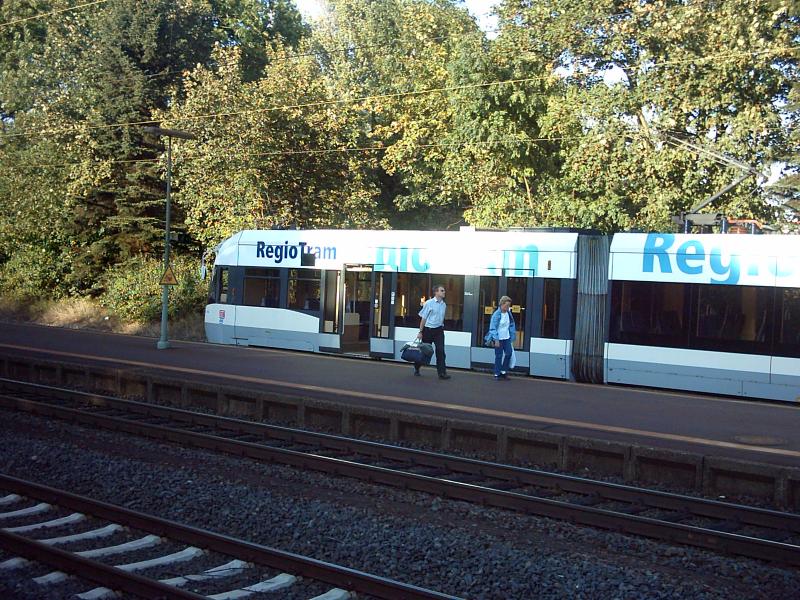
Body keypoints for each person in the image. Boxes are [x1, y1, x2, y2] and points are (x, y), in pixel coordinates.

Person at [414, 283, 450, 379]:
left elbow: (441, 318)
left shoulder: (444, 304)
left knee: (441, 351)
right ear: (436, 292)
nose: (444, 292)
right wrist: (420, 332)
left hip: (438, 331)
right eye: (442, 290)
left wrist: (441, 327)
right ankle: (417, 367)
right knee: (424, 351)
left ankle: (442, 373)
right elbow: (423, 318)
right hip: (428, 330)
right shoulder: (429, 303)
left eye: (444, 290)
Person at [485, 295, 516, 380]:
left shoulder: (508, 313)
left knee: (508, 353)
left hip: (507, 338)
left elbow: (511, 324)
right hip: (498, 338)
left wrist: (512, 336)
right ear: (501, 304)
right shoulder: (496, 315)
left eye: (508, 306)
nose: (507, 307)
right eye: (506, 305)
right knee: (499, 356)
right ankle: (497, 373)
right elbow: (492, 328)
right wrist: (496, 339)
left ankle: (503, 371)